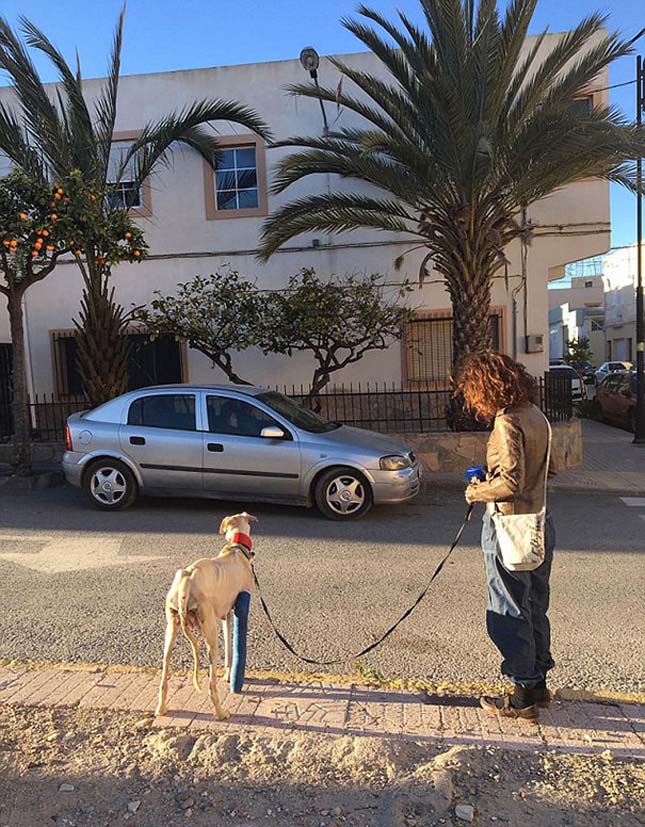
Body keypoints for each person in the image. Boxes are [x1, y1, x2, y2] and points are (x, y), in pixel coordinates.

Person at [459, 352, 556, 721]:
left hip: (509, 527)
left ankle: (521, 696)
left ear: (485, 386)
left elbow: (511, 483)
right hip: (540, 522)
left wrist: (477, 490)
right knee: (533, 604)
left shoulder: (507, 421)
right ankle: (537, 685)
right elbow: (548, 470)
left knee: (507, 608)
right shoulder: (537, 416)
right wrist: (495, 471)